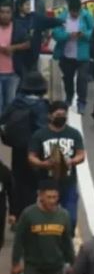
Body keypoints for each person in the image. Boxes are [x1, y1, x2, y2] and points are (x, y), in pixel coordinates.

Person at [28, 101, 86, 232]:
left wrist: (71, 161)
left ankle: (67, 239)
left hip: (68, 182)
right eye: (58, 115)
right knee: (46, 218)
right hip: (47, 182)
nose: (61, 117)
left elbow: (81, 154)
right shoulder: (40, 134)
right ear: (50, 116)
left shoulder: (74, 133)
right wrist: (43, 164)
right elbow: (31, 156)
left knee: (70, 218)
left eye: (63, 115)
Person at [1, 70, 47, 217]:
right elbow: (42, 129)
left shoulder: (17, 102)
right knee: (33, 183)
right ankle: (31, 213)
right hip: (34, 150)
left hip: (17, 147)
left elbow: (2, 118)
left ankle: (18, 213)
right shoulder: (41, 105)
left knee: (18, 180)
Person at [53, 0, 94, 114]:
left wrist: (84, 34)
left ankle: (81, 102)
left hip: (83, 55)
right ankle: (69, 97)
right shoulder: (62, 17)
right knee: (68, 78)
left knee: (82, 79)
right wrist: (67, 35)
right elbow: (55, 34)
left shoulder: (87, 16)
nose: (74, 14)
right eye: (72, 12)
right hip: (66, 54)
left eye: (77, 12)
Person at [0, 1, 17, 114]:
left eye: (8, 12)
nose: (5, 15)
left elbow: (27, 43)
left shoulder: (17, 28)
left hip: (13, 73)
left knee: (10, 103)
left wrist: (13, 48)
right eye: (2, 12)